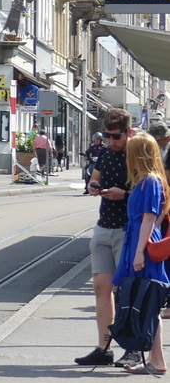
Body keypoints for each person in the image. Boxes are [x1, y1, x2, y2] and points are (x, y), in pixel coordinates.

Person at [76, 109, 134, 366]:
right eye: (108, 136)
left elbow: (152, 192)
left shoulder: (138, 154)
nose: (111, 141)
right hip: (103, 225)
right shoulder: (106, 153)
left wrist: (124, 194)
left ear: (128, 132)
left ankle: (133, 346)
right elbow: (95, 178)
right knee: (101, 286)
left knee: (128, 291)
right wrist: (93, 186)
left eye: (116, 136)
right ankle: (104, 347)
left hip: (128, 228)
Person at [113, 132, 169, 374]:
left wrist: (138, 252)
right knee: (147, 303)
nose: (126, 153)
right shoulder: (149, 180)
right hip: (139, 239)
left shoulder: (148, 182)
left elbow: (148, 218)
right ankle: (156, 359)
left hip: (140, 242)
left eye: (130, 150)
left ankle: (157, 360)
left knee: (147, 302)